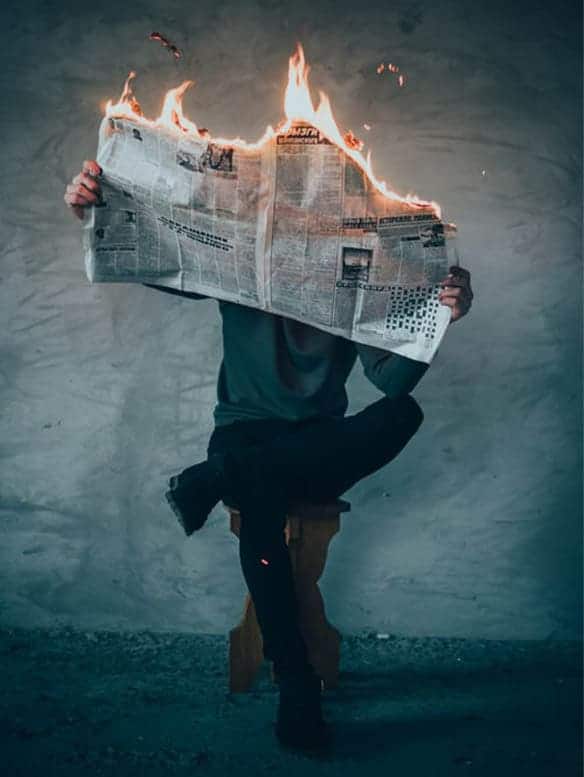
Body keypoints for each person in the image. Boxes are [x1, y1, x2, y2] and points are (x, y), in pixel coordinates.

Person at [65, 160, 474, 752]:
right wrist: (94, 208)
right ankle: (296, 685)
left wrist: (441, 316)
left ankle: (215, 481)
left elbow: (393, 384)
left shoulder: (352, 268)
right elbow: (155, 257)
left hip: (316, 445)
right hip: (246, 437)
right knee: (261, 498)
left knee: (402, 415)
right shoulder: (238, 252)